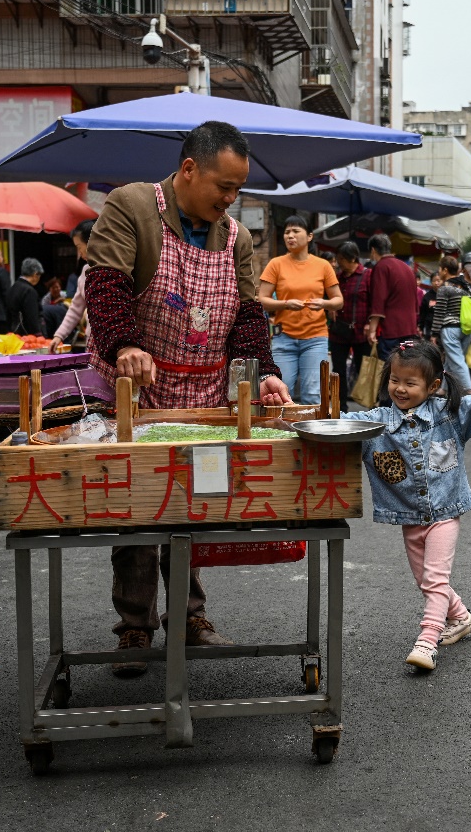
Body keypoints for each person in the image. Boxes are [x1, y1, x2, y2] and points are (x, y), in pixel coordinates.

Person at [83, 120, 293, 675]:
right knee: (136, 508)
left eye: (237, 190)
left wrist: (264, 372)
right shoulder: (132, 205)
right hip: (137, 387)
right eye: (223, 187)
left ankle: (190, 616)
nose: (230, 200)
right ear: (189, 170)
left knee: (194, 503)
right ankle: (134, 626)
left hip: (203, 393)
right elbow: (105, 287)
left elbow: (247, 316)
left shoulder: (237, 236)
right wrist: (125, 343)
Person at [343, 341, 471, 670]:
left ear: (433, 386)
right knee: (426, 580)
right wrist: (287, 419)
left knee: (435, 579)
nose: (400, 388)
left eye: (410, 383)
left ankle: (428, 641)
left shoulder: (450, 416)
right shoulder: (375, 422)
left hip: (445, 513)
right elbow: (340, 423)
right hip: (410, 519)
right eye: (395, 380)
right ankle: (462, 618)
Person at [259, 214, 343, 405]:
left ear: (310, 236)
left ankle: (312, 434)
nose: (290, 236)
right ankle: (279, 433)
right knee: (279, 392)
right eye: (287, 232)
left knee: (313, 395)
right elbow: (262, 300)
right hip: (283, 338)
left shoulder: (322, 265)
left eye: (296, 231)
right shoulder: (276, 264)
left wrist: (324, 303)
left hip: (316, 339)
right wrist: (285, 304)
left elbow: (338, 300)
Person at [328, 241, 372, 412]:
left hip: (361, 331)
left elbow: (374, 300)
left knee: (364, 370)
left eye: (342, 259)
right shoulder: (337, 278)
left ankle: (368, 408)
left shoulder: (368, 275)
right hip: (339, 331)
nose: (339, 263)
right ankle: (341, 407)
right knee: (338, 371)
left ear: (353, 258)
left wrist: (371, 323)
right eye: (338, 259)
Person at [365, 234, 420, 359]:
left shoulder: (381, 267)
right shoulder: (406, 267)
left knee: (389, 369)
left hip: (391, 329)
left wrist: (372, 330)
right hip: (409, 327)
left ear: (373, 250)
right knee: (406, 366)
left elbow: (378, 300)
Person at [430, 255, 471, 394]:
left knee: (457, 361)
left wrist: (434, 333)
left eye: (440, 269)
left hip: (450, 329)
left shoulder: (445, 288)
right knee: (452, 359)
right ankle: (443, 389)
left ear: (445, 270)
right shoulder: (466, 286)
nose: (439, 272)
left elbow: (440, 311)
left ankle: (469, 391)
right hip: (467, 328)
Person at [49, 219, 94, 353]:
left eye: (79, 246)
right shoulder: (85, 272)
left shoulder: (114, 269)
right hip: (92, 340)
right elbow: (75, 308)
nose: (79, 253)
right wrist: (59, 335)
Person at [6, 258, 45, 337]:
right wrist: (38, 335)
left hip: (12, 333)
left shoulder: (13, 287)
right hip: (27, 336)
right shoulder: (29, 291)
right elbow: (32, 317)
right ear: (35, 274)